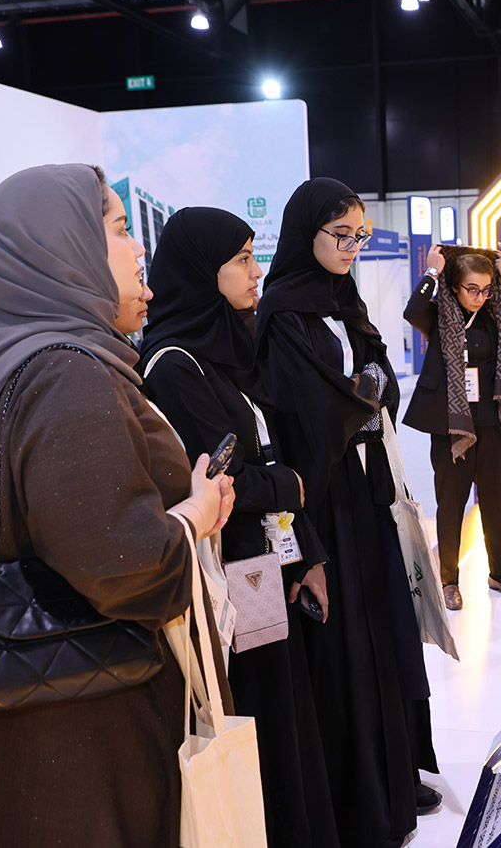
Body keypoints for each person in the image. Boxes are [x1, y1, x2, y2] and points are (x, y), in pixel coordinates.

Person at [0, 164, 234, 846]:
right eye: (121, 229)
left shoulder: (28, 363)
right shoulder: (67, 374)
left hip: (58, 716)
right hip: (98, 727)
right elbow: (126, 565)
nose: (138, 248)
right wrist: (196, 512)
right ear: (62, 244)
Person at [137, 206, 339, 848]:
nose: (257, 272)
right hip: (232, 568)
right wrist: (288, 485)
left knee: (283, 706)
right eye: (243, 259)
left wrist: (304, 550)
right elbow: (222, 479)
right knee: (260, 712)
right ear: (205, 271)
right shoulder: (173, 365)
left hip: (262, 559)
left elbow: (260, 456)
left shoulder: (224, 349)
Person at [251, 177, 440, 847]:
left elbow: (379, 374)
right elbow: (305, 406)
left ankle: (391, 778)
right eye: (341, 234)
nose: (352, 246)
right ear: (308, 232)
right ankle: (356, 796)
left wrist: (362, 391)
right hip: (320, 493)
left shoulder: (344, 300)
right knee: (340, 641)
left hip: (365, 487)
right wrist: (360, 395)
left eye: (360, 235)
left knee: (381, 628)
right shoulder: (282, 312)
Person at [403, 243, 501, 611]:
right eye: (472, 289)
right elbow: (412, 310)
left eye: (486, 289)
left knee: (495, 502)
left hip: (494, 423)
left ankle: (498, 573)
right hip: (452, 427)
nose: (480, 297)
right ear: (455, 287)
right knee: (450, 504)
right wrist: (432, 272)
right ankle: (449, 580)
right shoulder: (438, 317)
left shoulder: (496, 318)